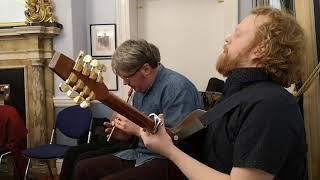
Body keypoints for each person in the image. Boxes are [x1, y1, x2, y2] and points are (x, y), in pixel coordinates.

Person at [140, 7, 307, 180]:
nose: (228, 38)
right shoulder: (238, 95)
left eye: (238, 34)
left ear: (261, 49)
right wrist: (168, 136)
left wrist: (169, 150)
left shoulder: (271, 105)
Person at [73, 39, 203, 180]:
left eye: (127, 77)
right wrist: (125, 134)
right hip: (141, 154)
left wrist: (136, 129)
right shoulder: (140, 90)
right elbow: (139, 134)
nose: (125, 83)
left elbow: (177, 142)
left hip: (170, 162)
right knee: (83, 168)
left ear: (146, 69)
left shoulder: (178, 88)